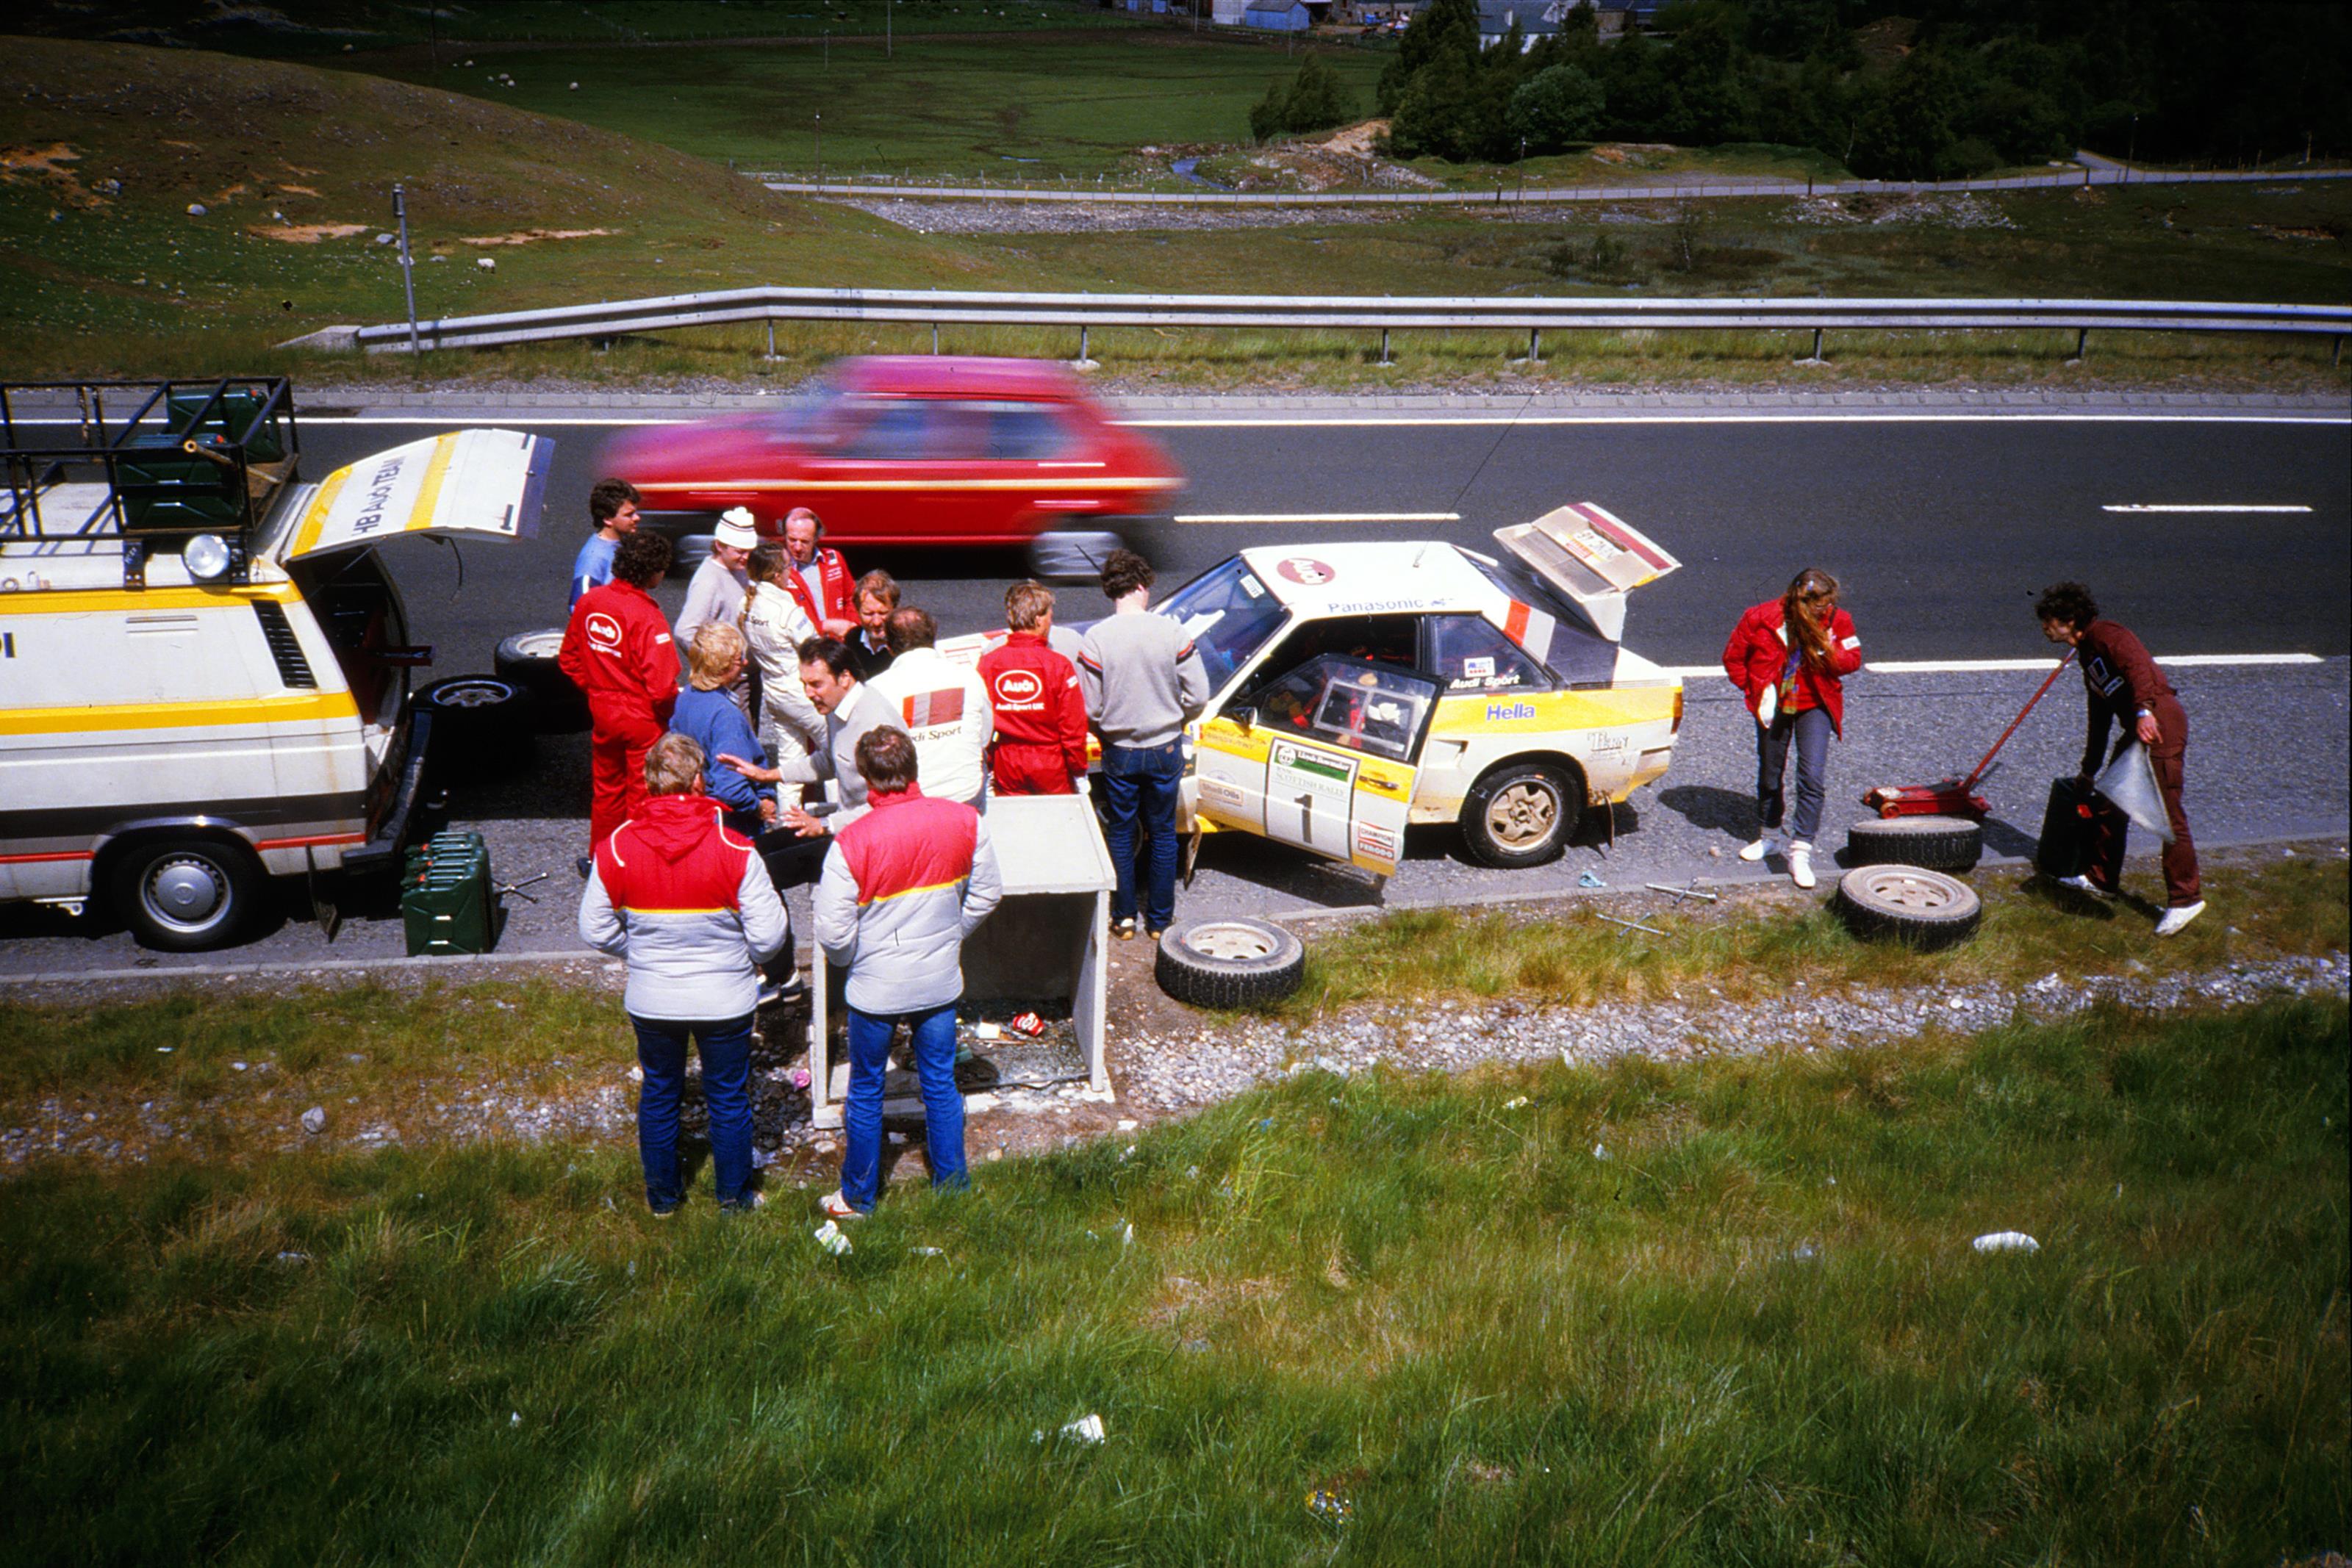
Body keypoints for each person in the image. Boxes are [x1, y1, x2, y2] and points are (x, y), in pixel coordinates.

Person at [579, 732, 789, 1216]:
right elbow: (769, 937)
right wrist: (744, 957)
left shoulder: (617, 848)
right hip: (725, 998)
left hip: (653, 998)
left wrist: (638, 952)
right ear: (698, 781)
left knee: (660, 1092)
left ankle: (663, 1200)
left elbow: (594, 928)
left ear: (650, 781)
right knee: (728, 1098)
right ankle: (734, 1199)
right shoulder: (735, 848)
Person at [811, 727, 1001, 1220]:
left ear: (864, 776)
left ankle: (858, 1197)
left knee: (866, 1088)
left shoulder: (850, 842)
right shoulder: (966, 821)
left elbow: (833, 932)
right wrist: (950, 935)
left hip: (876, 985)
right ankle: (953, 1187)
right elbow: (987, 894)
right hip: (938, 978)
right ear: (915, 767)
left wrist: (853, 960)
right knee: (939, 1081)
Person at [2035, 581, 2204, 935]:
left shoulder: (2108, 635)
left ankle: (2186, 899)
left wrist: (2144, 711)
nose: (2045, 628)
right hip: (2138, 729)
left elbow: (2138, 668)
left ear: (2069, 620)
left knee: (2167, 815)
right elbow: (2099, 718)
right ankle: (2102, 880)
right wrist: (2089, 770)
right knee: (2110, 801)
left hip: (2159, 723)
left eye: (2049, 621)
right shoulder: (2087, 655)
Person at [1077, 549, 1210, 939]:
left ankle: (1124, 918)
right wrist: (1177, 719)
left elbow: (1089, 707)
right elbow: (1199, 695)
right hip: (1165, 745)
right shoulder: (1172, 632)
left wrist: (1107, 731)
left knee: (1121, 832)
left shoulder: (1095, 639)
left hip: (1119, 750)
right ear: (1140, 586)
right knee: (1163, 833)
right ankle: (1159, 920)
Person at [716, 636, 908, 890]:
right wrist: (768, 775)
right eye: (804, 685)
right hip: (848, 827)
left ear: (845, 677)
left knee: (757, 876)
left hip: (874, 842)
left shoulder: (876, 725)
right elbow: (830, 760)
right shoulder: (836, 706)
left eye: (816, 684)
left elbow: (892, 807)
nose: (808, 694)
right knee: (752, 857)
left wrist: (824, 825)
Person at [1720, 568, 1861, 890]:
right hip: (1775, 706)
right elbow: (1734, 658)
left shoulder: (1839, 620)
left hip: (1815, 706)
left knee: (1811, 777)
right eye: (1820, 605)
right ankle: (1769, 836)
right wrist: (1755, 691)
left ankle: (1800, 852)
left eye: (1829, 604)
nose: (1827, 610)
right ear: (1801, 600)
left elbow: (1853, 660)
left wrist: (1828, 650)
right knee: (1770, 772)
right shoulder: (1759, 617)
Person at [559, 531, 678, 852]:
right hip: (642, 719)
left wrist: (599, 691)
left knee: (606, 791)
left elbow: (569, 659)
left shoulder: (590, 602)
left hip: (603, 712)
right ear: (652, 572)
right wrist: (666, 716)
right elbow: (662, 688)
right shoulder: (648, 615)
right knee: (643, 796)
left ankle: (601, 860)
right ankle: (635, 863)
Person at [870, 605, 992, 808]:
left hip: (911, 800)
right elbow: (984, 737)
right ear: (934, 637)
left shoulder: (876, 689)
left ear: (889, 647)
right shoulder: (969, 676)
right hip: (967, 794)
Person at [979, 580, 1089, 795]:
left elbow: (981, 721)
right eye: (1050, 616)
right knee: (1056, 815)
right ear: (1039, 619)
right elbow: (1073, 726)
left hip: (1007, 761)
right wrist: (1079, 769)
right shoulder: (1058, 665)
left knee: (1014, 816)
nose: (1051, 622)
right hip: (1050, 762)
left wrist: (989, 762)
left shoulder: (988, 663)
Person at [741, 540, 826, 807]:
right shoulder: (787, 611)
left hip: (775, 694)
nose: (792, 571)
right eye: (789, 566)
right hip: (803, 695)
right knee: (837, 753)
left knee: (789, 763)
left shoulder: (746, 603)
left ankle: (787, 822)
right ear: (778, 575)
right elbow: (816, 649)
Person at [671, 625, 777, 838]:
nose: (745, 663)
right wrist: (759, 807)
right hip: (732, 823)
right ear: (722, 667)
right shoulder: (725, 715)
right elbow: (731, 788)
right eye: (739, 659)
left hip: (697, 812)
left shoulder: (687, 696)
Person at [673, 508, 759, 696]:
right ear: (720, 546)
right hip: (730, 682)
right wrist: (717, 667)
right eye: (740, 552)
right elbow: (684, 632)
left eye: (749, 552)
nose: (746, 557)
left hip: (748, 675)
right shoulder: (709, 580)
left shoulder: (738, 568)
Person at [781, 506, 857, 639]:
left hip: (838, 643)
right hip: (804, 644)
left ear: (816, 538)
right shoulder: (778, 569)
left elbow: (852, 598)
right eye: (792, 540)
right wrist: (824, 626)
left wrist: (851, 628)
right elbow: (779, 619)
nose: (798, 547)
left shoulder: (834, 559)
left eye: (805, 541)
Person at [570, 478, 642, 608]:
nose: (637, 518)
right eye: (629, 515)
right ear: (608, 519)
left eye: (635, 512)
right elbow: (579, 605)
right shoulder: (594, 557)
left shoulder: (623, 542)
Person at [845, 569, 900, 682]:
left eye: (883, 613)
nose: (877, 622)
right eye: (868, 614)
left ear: (895, 609)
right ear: (858, 612)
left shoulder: (905, 644)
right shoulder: (852, 640)